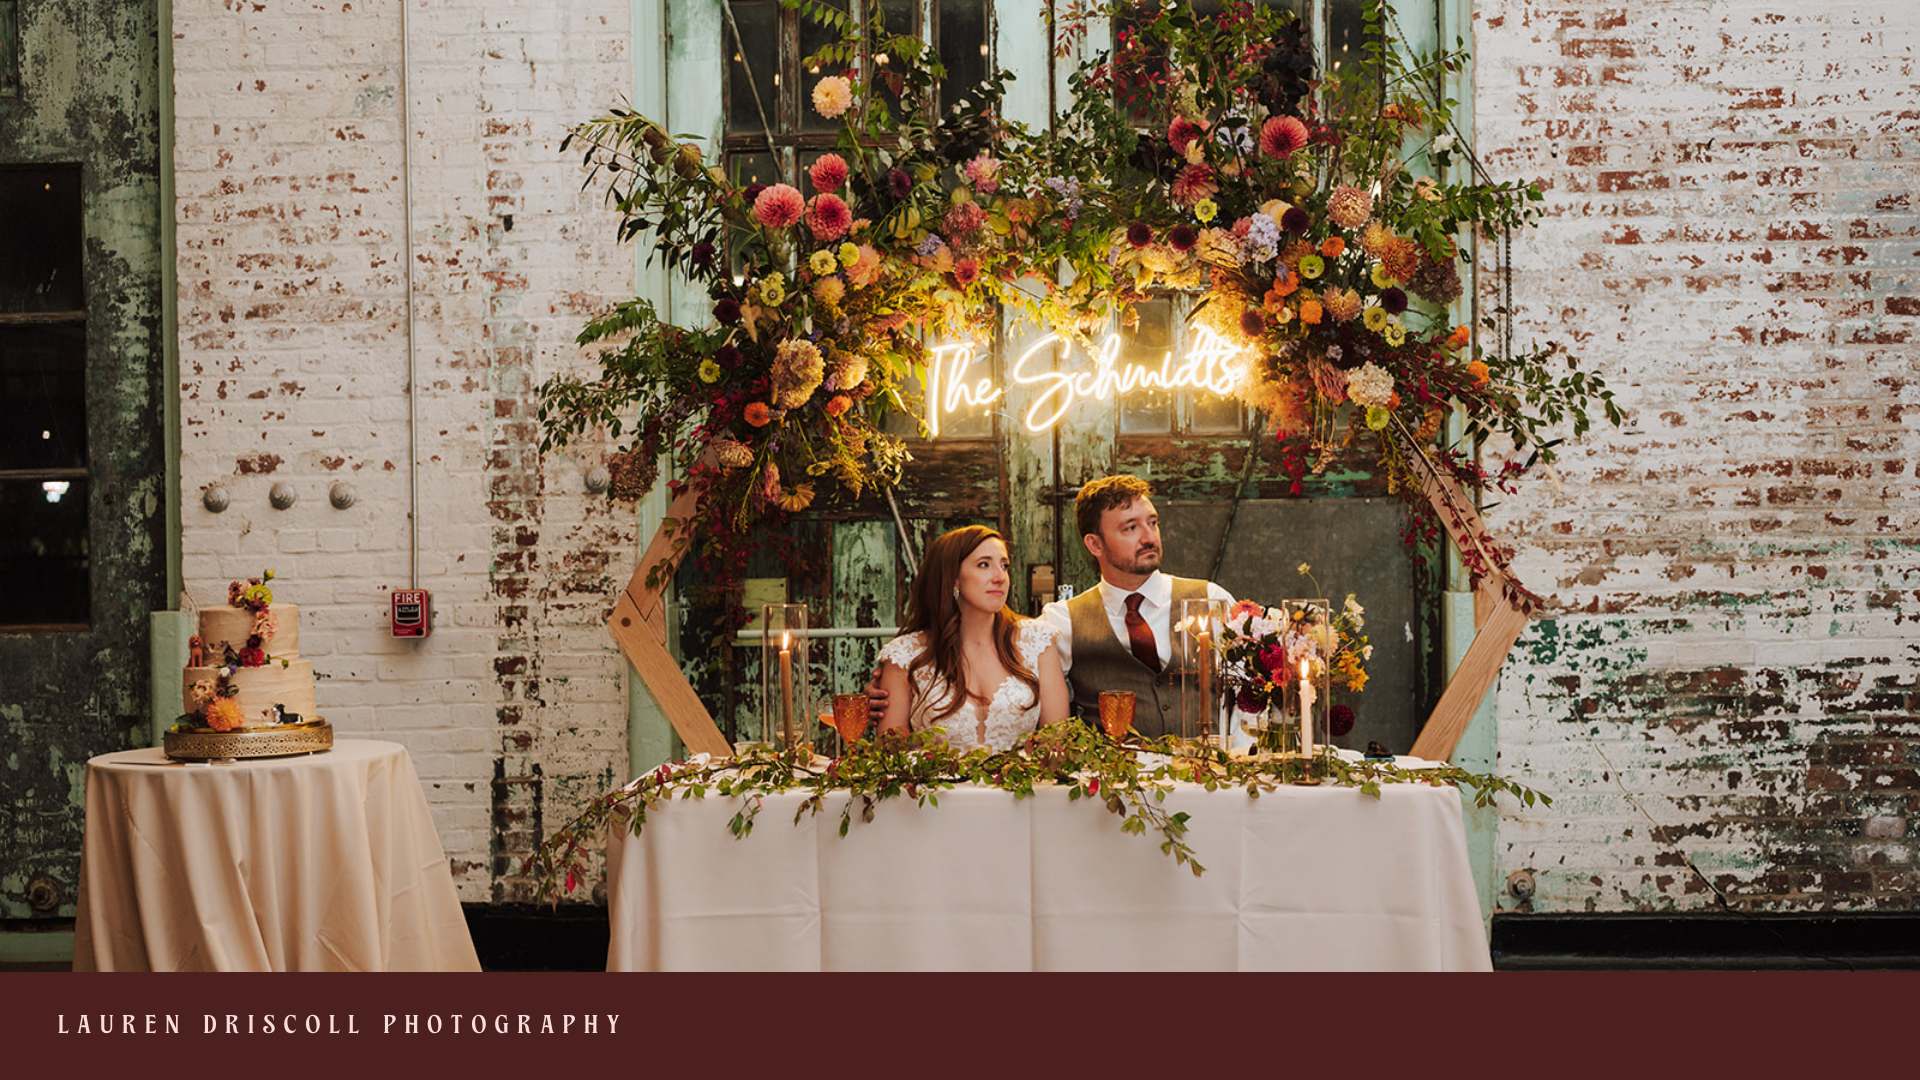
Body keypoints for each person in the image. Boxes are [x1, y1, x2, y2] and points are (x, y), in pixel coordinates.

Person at [1038, 474, 1234, 739]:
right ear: (1095, 544)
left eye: (1153, 523)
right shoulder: (1062, 621)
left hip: (1208, 774)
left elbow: (1249, 702)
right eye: (1130, 527)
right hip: (1115, 777)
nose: (1149, 537)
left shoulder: (1211, 600)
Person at [872, 525, 1072, 752]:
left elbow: (1056, 747)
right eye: (984, 565)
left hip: (1022, 787)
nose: (1000, 577)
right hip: (935, 787)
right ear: (954, 578)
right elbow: (890, 756)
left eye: (1004, 565)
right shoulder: (905, 655)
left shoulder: (1038, 641)